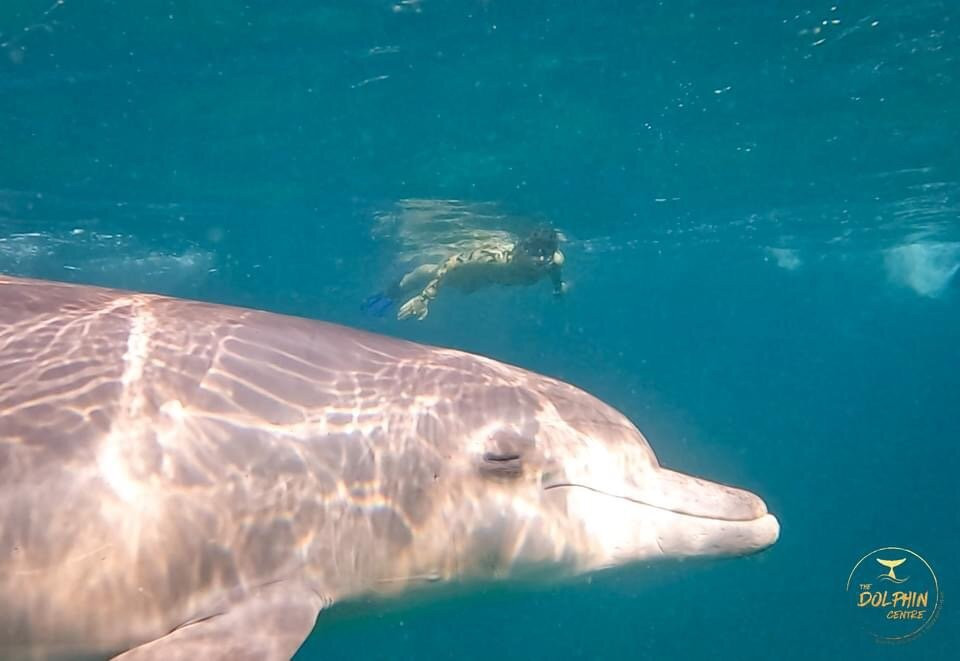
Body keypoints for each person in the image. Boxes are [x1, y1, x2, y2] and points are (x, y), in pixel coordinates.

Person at [362, 226, 567, 321]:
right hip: (476, 272)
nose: (539, 259)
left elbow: (555, 274)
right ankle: (389, 295)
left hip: (487, 280)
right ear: (522, 248)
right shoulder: (495, 258)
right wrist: (425, 297)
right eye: (534, 252)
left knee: (466, 289)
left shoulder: (554, 261)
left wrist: (558, 289)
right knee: (431, 271)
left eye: (545, 254)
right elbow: (451, 264)